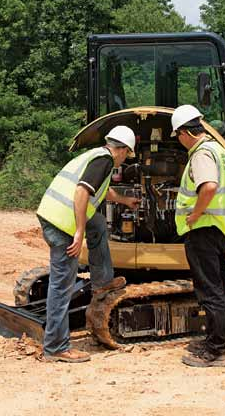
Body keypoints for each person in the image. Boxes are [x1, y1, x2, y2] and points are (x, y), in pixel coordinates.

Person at [37, 126, 139, 363]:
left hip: (53, 214)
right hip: (62, 224)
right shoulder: (104, 161)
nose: (125, 159)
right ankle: (56, 347)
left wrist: (124, 200)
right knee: (61, 286)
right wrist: (79, 231)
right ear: (122, 150)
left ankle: (102, 281)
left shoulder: (96, 156)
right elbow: (82, 192)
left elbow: (102, 191)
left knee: (98, 222)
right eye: (127, 154)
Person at [171, 104, 225, 368]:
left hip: (203, 231)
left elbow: (209, 187)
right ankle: (217, 338)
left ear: (186, 132)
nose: (179, 141)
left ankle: (215, 351)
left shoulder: (201, 154)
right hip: (219, 228)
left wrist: (195, 215)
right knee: (220, 287)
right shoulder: (221, 151)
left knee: (209, 290)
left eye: (178, 136)